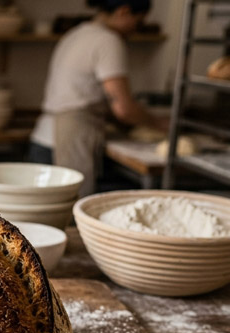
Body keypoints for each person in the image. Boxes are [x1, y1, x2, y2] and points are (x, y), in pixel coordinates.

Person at [28, 0, 168, 195]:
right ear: (123, 11)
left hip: (43, 139)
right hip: (68, 141)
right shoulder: (108, 40)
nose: (136, 29)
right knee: (72, 215)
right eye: (138, 21)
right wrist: (158, 124)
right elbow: (124, 109)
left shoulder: (77, 33)